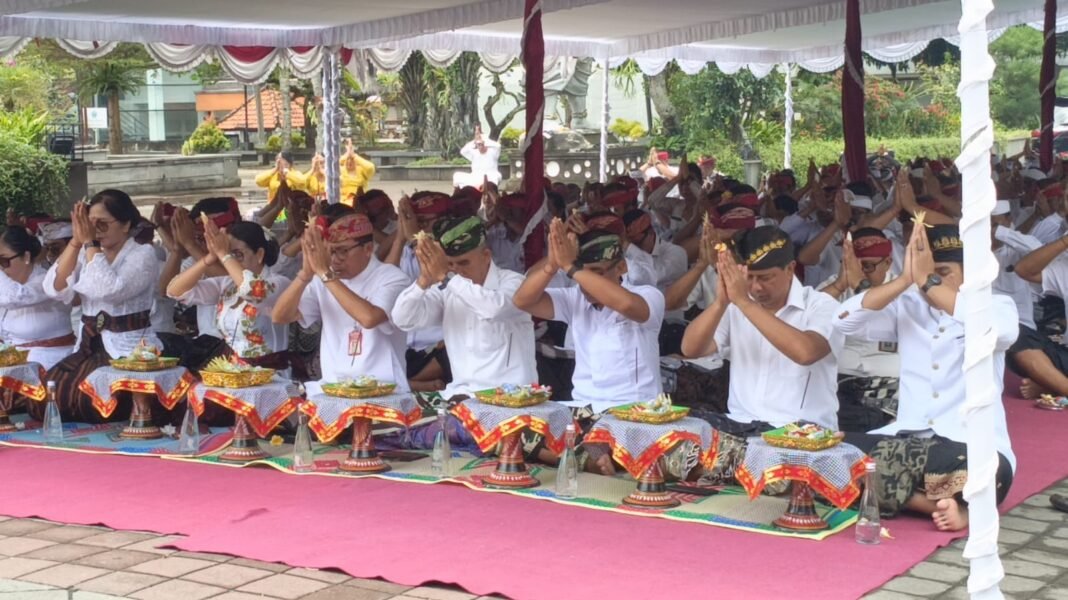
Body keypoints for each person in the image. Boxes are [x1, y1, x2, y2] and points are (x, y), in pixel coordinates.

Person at [834, 223, 1016, 531]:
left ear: (968, 272)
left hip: (962, 447)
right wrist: (906, 280)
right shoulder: (908, 304)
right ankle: (937, 504)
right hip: (904, 441)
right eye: (929, 273)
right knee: (831, 453)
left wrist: (928, 281)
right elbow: (844, 322)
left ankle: (909, 494)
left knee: (985, 467)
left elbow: (996, 331)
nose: (930, 283)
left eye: (942, 272)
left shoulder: (994, 306)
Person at [681, 225, 844, 434]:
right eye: (749, 278)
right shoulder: (736, 305)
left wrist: (745, 303)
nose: (756, 287)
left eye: (765, 278)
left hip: (804, 433)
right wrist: (720, 303)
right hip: (741, 426)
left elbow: (806, 353)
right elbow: (691, 349)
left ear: (790, 269)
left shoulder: (822, 305)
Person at [513, 220, 665, 413]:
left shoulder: (648, 295)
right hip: (585, 408)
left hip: (637, 411)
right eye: (579, 275)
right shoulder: (574, 298)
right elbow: (522, 301)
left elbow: (626, 304)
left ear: (621, 267)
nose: (585, 283)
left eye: (597, 273)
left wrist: (571, 268)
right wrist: (552, 265)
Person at [40, 190, 164, 423]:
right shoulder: (88, 250)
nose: (95, 230)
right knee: (51, 398)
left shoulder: (143, 254)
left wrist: (89, 243)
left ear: (126, 224)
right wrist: (77, 242)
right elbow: (54, 288)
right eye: (90, 223)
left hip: (129, 350)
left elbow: (110, 291)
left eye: (103, 224)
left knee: (91, 404)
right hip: (89, 347)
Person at [392, 216, 535, 397]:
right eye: (450, 264)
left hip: (512, 398)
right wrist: (423, 281)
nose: (457, 270)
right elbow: (403, 320)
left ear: (486, 256)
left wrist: (446, 276)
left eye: (464, 262)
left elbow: (494, 309)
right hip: (461, 396)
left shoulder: (514, 282)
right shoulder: (448, 289)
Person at [272, 210, 410, 392]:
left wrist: (325, 274)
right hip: (334, 386)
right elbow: (280, 316)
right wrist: (304, 276)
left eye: (343, 251)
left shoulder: (392, 277)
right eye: (330, 252)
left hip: (383, 389)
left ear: (368, 249)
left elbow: (369, 318)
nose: (335, 259)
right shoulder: (324, 279)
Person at [167, 221, 291, 369]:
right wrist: (209, 258)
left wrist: (223, 254)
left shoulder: (280, 283)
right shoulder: (227, 284)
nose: (230, 260)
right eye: (230, 254)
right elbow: (175, 290)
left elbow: (253, 291)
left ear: (259, 254)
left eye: (237, 254)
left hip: (270, 374)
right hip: (233, 371)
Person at [818, 228, 899, 432]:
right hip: (841, 378)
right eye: (855, 266)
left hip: (890, 380)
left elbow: (881, 322)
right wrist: (839, 284)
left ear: (888, 263)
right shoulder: (834, 285)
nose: (861, 272)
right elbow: (807, 315)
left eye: (868, 266)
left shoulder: (904, 289)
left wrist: (860, 287)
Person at [0, 226, 76, 370]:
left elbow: (16, 297)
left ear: (27, 257)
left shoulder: (44, 281)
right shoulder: (5, 286)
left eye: (4, 261)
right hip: (13, 364)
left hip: (51, 364)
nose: (2, 269)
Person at [1005, 226, 1068, 399]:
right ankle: (1059, 385)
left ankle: (1055, 385)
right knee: (1017, 335)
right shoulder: (1065, 269)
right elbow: (1024, 270)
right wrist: (1064, 241)